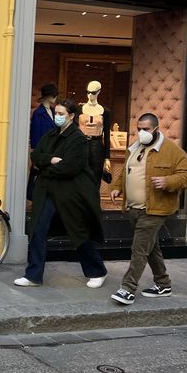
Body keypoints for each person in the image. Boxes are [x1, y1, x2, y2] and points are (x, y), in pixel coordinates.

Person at [14, 98, 107, 288]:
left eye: (61, 114)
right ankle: (33, 275)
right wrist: (51, 159)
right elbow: (36, 156)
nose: (57, 117)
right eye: (56, 113)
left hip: (69, 194)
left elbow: (69, 168)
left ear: (71, 116)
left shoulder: (79, 139)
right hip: (47, 191)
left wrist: (46, 167)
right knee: (38, 230)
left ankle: (97, 271)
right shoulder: (51, 135)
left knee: (78, 232)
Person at [110, 113, 187, 305]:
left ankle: (127, 289)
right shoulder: (134, 148)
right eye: (139, 128)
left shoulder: (172, 150)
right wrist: (116, 188)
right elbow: (125, 172)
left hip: (155, 209)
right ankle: (163, 284)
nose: (141, 132)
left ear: (156, 129)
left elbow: (186, 175)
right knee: (150, 246)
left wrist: (167, 181)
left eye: (145, 129)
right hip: (134, 208)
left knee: (139, 249)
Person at [78, 81, 112, 188]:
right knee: (79, 175)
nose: (89, 95)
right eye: (88, 92)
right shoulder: (79, 109)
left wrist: (107, 157)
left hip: (97, 145)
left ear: (99, 92)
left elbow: (106, 135)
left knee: (95, 177)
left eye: (93, 93)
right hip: (81, 144)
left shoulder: (105, 111)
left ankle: (93, 202)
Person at [28, 83, 57, 201]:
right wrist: (36, 155)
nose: (55, 98)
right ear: (49, 96)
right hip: (43, 150)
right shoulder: (38, 113)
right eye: (54, 95)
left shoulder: (54, 111)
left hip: (53, 149)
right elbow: (35, 135)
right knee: (39, 176)